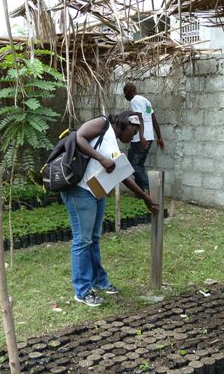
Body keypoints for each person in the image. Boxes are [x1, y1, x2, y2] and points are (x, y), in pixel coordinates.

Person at [60, 110, 158, 307]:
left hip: (96, 191)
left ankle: (98, 281)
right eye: (134, 131)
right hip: (80, 191)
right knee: (82, 240)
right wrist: (101, 159)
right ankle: (82, 290)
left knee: (94, 239)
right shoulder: (102, 123)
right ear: (126, 124)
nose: (134, 137)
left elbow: (123, 175)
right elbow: (79, 137)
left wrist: (145, 197)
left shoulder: (113, 142)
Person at [123, 82, 165, 192]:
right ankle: (141, 192)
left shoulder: (134, 100)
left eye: (124, 93)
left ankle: (151, 188)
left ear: (128, 92)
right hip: (149, 137)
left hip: (140, 139)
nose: (125, 96)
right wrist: (159, 137)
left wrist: (141, 136)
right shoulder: (146, 101)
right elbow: (153, 120)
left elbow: (139, 117)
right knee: (139, 165)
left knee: (132, 165)